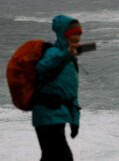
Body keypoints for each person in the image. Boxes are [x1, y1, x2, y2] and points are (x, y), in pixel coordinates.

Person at [32, 15, 83, 161]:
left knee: (51, 156)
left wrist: (75, 121)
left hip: (59, 116)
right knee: (63, 156)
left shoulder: (71, 60)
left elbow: (72, 94)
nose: (77, 37)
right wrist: (66, 54)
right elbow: (42, 67)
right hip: (46, 114)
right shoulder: (52, 53)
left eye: (79, 33)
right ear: (64, 34)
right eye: (73, 33)